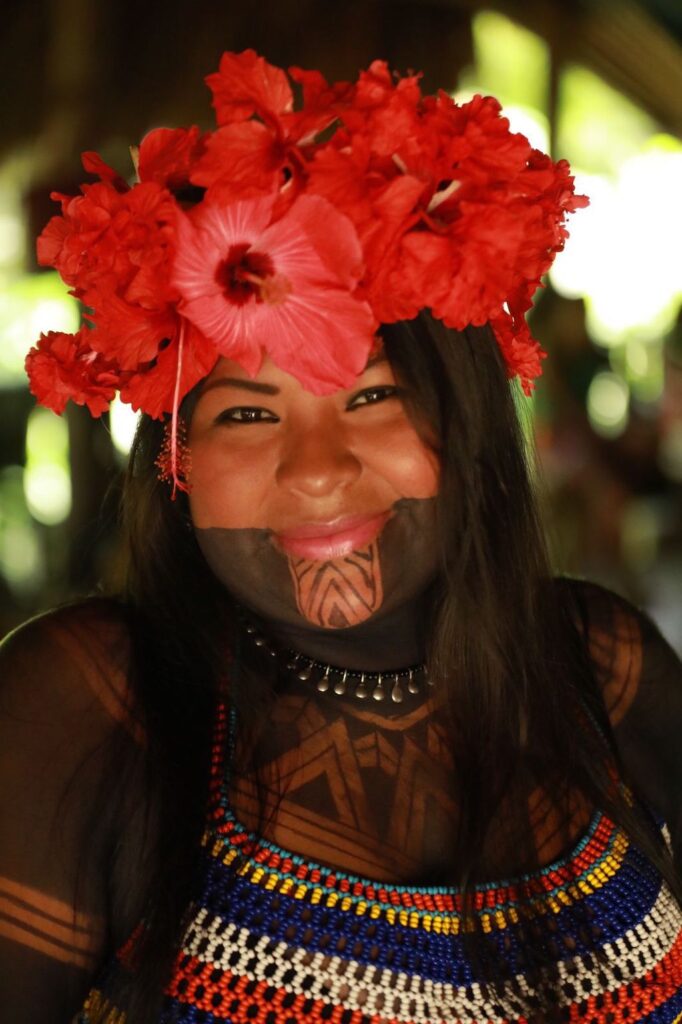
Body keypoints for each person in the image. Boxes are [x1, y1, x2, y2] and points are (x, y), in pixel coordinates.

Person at [1, 50, 681, 1024]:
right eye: (244, 414)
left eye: (372, 397)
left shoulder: (598, 667)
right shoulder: (90, 705)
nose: (315, 468)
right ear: (175, 457)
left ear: (468, 424)